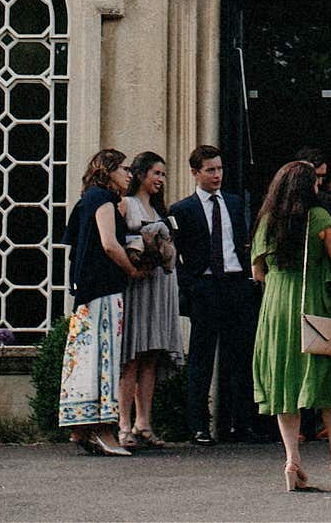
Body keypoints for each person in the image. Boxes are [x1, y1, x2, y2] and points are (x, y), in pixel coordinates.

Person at [247, 158, 331, 494]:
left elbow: (258, 272)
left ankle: (293, 461)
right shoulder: (318, 217)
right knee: (330, 384)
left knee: (283, 382)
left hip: (275, 307)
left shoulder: (266, 221)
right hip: (312, 303)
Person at [169, 143, 258, 445]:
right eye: (210, 170)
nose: (217, 175)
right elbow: (174, 254)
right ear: (195, 173)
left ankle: (240, 424)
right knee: (202, 358)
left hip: (235, 283)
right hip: (205, 286)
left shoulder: (233, 202)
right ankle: (198, 425)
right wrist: (190, 286)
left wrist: (248, 278)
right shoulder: (183, 209)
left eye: (219, 169)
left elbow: (242, 241)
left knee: (240, 356)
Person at [60, 147, 142, 457]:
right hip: (104, 289)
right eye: (123, 169)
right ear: (107, 171)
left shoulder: (88, 200)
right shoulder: (104, 200)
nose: (129, 174)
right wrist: (132, 269)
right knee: (104, 357)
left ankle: (80, 429)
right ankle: (104, 430)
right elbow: (109, 244)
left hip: (86, 291)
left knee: (84, 356)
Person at [115, 150, 180, 452]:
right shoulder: (126, 205)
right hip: (137, 285)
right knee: (133, 356)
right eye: (156, 173)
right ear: (141, 174)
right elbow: (118, 241)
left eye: (163, 175)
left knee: (151, 354)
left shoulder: (158, 208)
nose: (160, 180)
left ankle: (144, 422)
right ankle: (123, 424)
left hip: (160, 286)